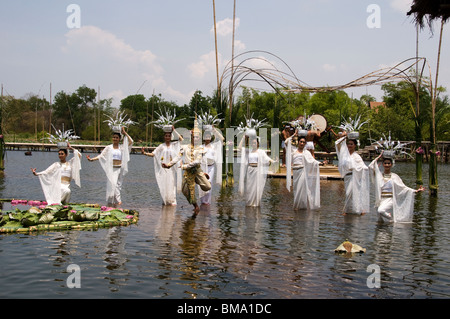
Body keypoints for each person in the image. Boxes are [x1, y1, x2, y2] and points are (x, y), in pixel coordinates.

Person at [163, 123, 211, 215]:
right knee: (185, 191)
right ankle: (195, 206)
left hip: (196, 170)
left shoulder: (201, 149)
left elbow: (197, 162)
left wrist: (184, 166)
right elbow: (178, 157)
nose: (195, 139)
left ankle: (200, 178)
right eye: (194, 137)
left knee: (207, 187)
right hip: (188, 173)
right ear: (191, 137)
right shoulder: (185, 147)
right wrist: (169, 165)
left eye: (197, 137)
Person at [369, 151, 425, 223]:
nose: (387, 165)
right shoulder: (379, 176)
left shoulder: (394, 177)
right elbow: (370, 167)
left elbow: (404, 188)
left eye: (389, 163)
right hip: (380, 199)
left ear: (391, 165)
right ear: (383, 164)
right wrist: (378, 157)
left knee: (381, 210)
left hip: (390, 199)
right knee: (380, 221)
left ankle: (392, 219)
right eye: (385, 163)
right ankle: (384, 231)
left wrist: (416, 190)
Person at [86, 126, 133, 208]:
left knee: (117, 186)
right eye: (114, 137)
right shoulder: (108, 148)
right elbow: (101, 156)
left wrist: (124, 133)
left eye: (117, 137)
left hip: (119, 169)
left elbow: (131, 141)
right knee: (112, 186)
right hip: (111, 170)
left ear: (119, 139)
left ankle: (118, 203)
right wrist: (92, 159)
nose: (115, 139)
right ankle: (112, 204)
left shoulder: (122, 148)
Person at [141, 126, 183, 206]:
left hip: (171, 168)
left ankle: (172, 201)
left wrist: (174, 130)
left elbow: (181, 139)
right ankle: (165, 200)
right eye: (166, 136)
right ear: (164, 137)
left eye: (169, 136)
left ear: (171, 137)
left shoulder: (174, 144)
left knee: (172, 183)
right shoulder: (161, 146)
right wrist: (145, 153)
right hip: (163, 168)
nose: (167, 137)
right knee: (164, 184)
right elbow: (154, 154)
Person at [335, 133, 370, 215]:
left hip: (354, 176)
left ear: (355, 145)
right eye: (348, 144)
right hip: (347, 177)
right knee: (350, 193)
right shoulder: (344, 155)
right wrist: (345, 137)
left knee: (350, 193)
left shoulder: (357, 156)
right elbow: (337, 144)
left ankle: (348, 210)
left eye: (351, 144)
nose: (349, 146)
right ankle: (357, 210)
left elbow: (363, 167)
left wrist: (369, 168)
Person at [285, 133, 321, 210]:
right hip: (295, 171)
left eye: (303, 142)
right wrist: (294, 134)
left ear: (305, 144)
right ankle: (297, 204)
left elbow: (312, 161)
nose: (302, 143)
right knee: (296, 189)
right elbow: (286, 142)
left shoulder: (306, 152)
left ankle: (300, 206)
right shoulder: (293, 151)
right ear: (298, 142)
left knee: (301, 189)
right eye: (300, 141)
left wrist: (319, 163)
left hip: (302, 171)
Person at [238, 133, 276, 207]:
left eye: (255, 143)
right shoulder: (248, 151)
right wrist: (243, 137)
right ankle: (249, 203)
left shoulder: (261, 151)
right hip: (250, 170)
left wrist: (273, 161)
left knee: (256, 187)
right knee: (249, 187)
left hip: (257, 170)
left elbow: (267, 158)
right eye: (252, 143)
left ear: (258, 144)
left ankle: (255, 203)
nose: (253, 144)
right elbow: (239, 148)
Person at [199, 126, 224, 205]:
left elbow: (222, 139)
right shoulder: (201, 147)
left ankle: (207, 201)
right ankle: (202, 200)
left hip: (211, 167)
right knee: (203, 183)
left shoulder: (214, 146)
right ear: (204, 137)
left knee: (209, 183)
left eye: (209, 136)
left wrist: (214, 130)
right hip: (203, 167)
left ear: (211, 137)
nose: (207, 138)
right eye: (206, 136)